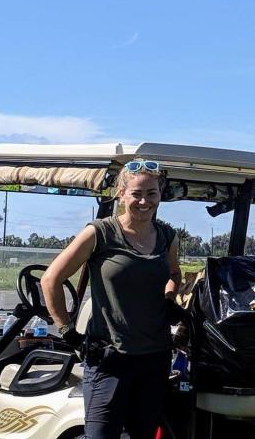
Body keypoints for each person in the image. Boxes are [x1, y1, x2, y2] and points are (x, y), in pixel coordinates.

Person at [41, 158, 183, 439]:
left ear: (160, 195)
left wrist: (168, 298)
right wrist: (68, 332)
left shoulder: (167, 235)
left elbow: (175, 273)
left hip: (154, 358)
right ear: (121, 194)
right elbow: (51, 280)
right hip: (109, 359)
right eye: (137, 194)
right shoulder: (100, 233)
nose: (144, 201)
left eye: (151, 194)